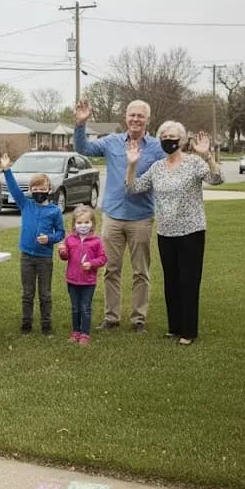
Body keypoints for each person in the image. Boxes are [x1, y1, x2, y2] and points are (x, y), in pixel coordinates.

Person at [125, 124, 223, 345]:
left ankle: (189, 331)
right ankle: (174, 327)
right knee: (171, 281)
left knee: (188, 281)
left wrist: (207, 156)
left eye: (172, 136)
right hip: (166, 232)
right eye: (164, 136)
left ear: (181, 140)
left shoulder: (194, 163)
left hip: (191, 231)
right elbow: (132, 189)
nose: (168, 140)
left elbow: (217, 179)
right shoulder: (157, 167)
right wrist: (132, 165)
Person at [74, 99, 166, 333]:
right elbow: (83, 148)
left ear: (148, 119)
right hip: (113, 216)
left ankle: (138, 320)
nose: (135, 119)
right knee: (111, 269)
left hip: (141, 217)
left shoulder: (156, 147)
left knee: (140, 272)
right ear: (125, 117)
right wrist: (81, 124)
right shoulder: (112, 142)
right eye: (131, 115)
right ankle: (111, 318)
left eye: (140, 116)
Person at [0, 153, 65, 335]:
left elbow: (61, 233)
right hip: (26, 257)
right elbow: (13, 189)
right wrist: (7, 170)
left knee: (45, 294)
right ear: (30, 191)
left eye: (42, 188)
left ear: (49, 189)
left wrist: (49, 239)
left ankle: (46, 326)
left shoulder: (54, 211)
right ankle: (26, 325)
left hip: (44, 259)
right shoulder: (26, 205)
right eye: (34, 188)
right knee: (27, 293)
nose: (38, 191)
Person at [58, 204, 108, 345]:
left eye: (86, 222)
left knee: (85, 307)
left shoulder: (96, 241)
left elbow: (103, 258)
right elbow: (66, 257)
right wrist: (62, 252)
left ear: (92, 223)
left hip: (88, 282)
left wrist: (91, 264)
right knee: (75, 308)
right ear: (74, 224)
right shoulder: (70, 240)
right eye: (79, 223)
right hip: (72, 280)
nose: (83, 225)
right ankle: (76, 331)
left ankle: (85, 334)